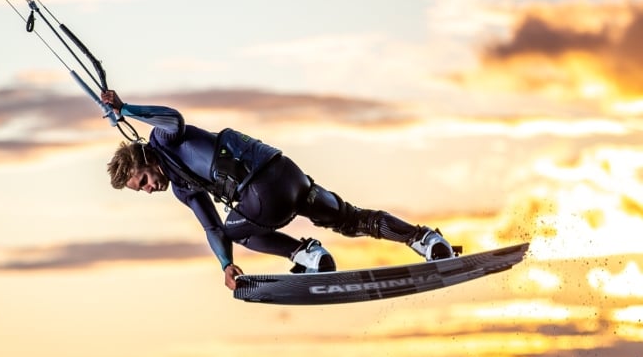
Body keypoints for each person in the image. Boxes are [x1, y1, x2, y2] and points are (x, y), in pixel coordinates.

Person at [101, 90, 455, 291]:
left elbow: (172, 117)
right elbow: (210, 227)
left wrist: (127, 109)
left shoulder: (163, 140)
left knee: (238, 230)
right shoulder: (183, 189)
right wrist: (226, 264)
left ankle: (307, 255)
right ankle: (426, 241)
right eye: (141, 189)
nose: (149, 188)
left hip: (263, 192)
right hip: (289, 176)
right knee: (350, 218)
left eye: (144, 179)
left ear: (144, 159)